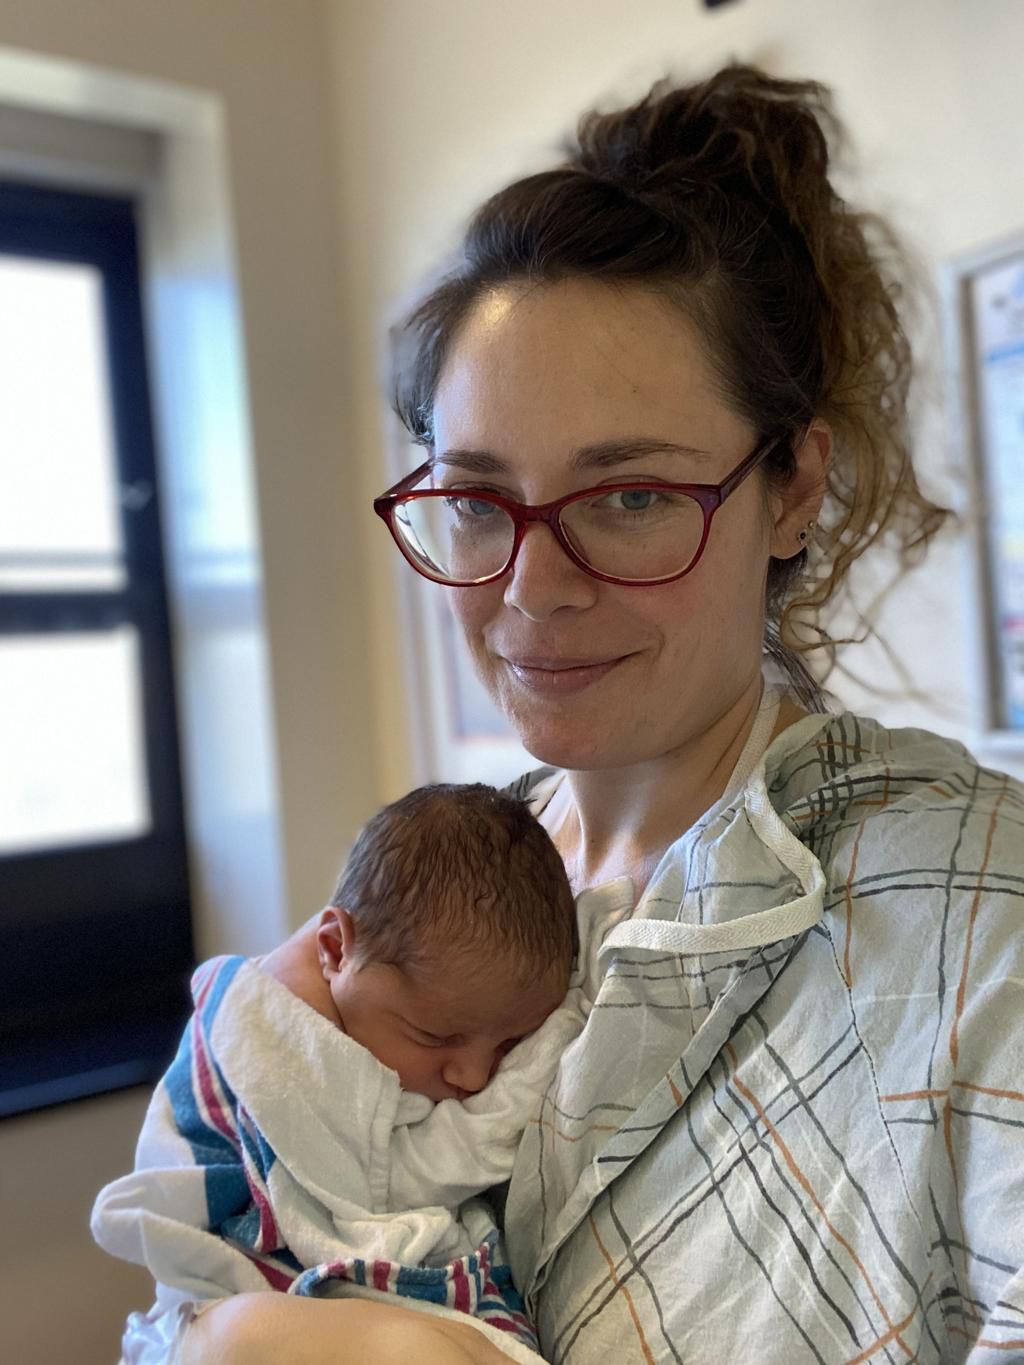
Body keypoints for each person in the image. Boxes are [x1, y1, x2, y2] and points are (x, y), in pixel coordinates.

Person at [181, 63, 1024, 1365]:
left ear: (794, 486)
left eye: (629, 498)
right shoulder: (450, 877)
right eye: (478, 500)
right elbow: (215, 1236)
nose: (533, 588)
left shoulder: (977, 916)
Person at [92, 784, 581, 1365]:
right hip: (235, 1306)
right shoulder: (277, 1051)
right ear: (333, 949)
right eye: (436, 1037)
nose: (474, 1077)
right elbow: (406, 1177)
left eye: (511, 1045)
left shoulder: (396, 1003)